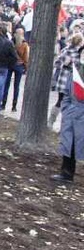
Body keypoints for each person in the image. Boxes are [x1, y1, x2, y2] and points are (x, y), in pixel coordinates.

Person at [51, 52, 84, 183]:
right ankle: (66, 173)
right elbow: (66, 93)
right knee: (68, 143)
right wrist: (66, 109)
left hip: (82, 114)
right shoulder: (75, 70)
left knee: (78, 144)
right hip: (71, 112)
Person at [50, 33, 84, 126]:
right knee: (63, 101)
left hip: (69, 80)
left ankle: (61, 123)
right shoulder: (70, 51)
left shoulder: (75, 51)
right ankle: (54, 121)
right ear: (79, 42)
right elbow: (58, 63)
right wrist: (65, 64)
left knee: (64, 102)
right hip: (66, 80)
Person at [1, 27, 29, 112]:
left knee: (6, 84)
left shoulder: (10, 43)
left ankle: (4, 103)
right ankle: (14, 106)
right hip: (19, 66)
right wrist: (26, 67)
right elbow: (26, 57)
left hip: (10, 65)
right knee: (16, 86)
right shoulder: (24, 44)